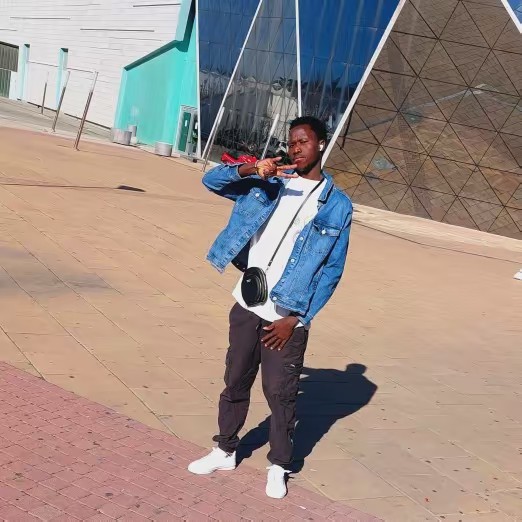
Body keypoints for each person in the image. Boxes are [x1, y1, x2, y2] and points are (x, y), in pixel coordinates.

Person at [187, 116, 353, 499]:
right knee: (235, 380)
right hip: (247, 302)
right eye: (291, 142)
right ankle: (225, 450)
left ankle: (279, 465)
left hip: (285, 317)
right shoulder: (270, 181)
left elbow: (332, 271)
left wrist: (296, 319)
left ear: (321, 145)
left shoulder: (337, 205)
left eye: (303, 141)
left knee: (281, 395)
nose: (295, 148)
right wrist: (251, 168)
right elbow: (212, 181)